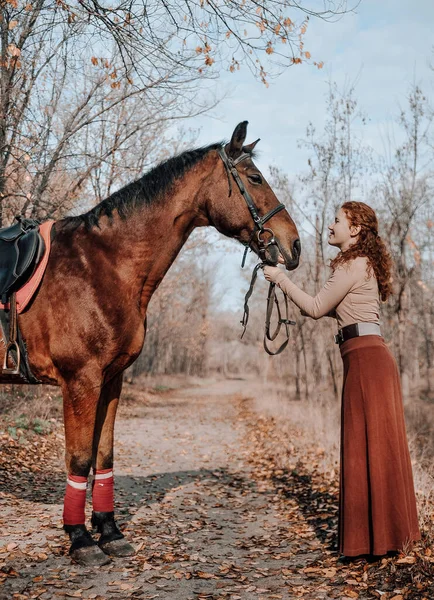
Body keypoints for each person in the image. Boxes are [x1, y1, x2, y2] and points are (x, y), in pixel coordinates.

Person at [263, 201, 420, 559]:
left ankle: (378, 541)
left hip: (367, 360)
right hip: (362, 357)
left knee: (372, 446)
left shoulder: (355, 263)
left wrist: (282, 280)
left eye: (337, 221)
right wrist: (284, 273)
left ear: (356, 230)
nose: (330, 226)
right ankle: (381, 539)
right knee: (370, 446)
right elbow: (327, 306)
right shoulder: (355, 264)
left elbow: (316, 307)